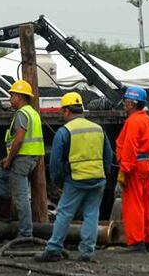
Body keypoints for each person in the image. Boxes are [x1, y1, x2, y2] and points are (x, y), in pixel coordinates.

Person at [34, 92, 113, 264]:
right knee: (91, 214)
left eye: (62, 111)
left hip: (76, 179)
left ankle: (53, 249)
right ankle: (87, 252)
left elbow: (55, 162)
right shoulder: (97, 129)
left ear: (67, 111)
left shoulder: (64, 132)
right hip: (97, 178)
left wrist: (58, 182)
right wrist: (104, 173)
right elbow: (108, 155)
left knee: (64, 214)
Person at [0, 79, 44, 239]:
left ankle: (25, 233)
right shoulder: (33, 113)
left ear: (20, 97)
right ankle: (6, 212)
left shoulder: (22, 114)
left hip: (22, 159)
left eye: (12, 95)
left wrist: (9, 160)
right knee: (1, 174)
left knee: (21, 196)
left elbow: (19, 140)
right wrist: (7, 159)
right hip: (30, 157)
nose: (10, 99)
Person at [116, 85, 149, 253]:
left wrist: (124, 170)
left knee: (133, 205)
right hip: (145, 165)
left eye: (126, 101)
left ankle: (136, 242)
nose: (124, 104)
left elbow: (129, 146)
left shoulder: (133, 122)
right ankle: (148, 240)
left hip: (134, 167)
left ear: (132, 104)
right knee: (146, 204)